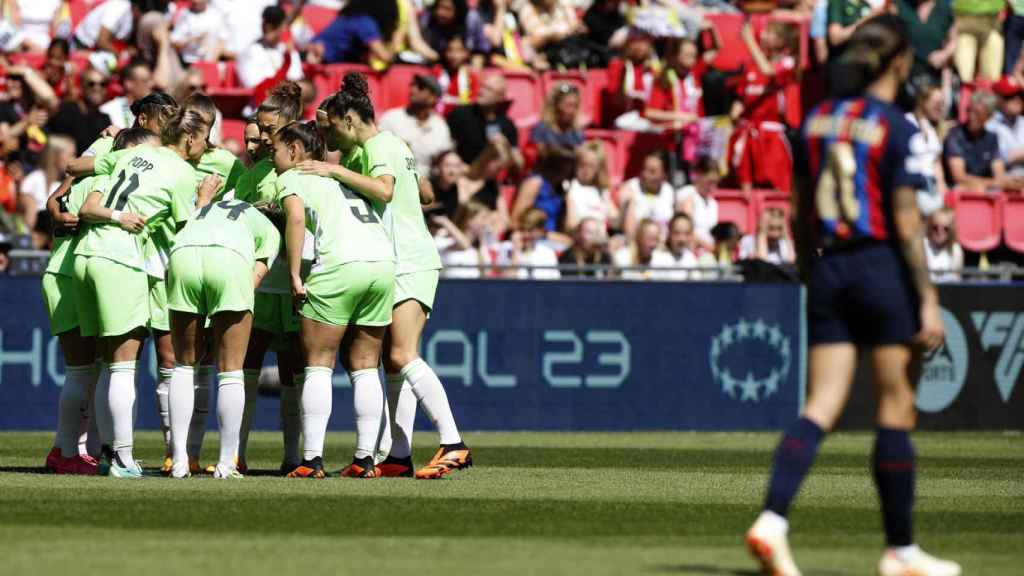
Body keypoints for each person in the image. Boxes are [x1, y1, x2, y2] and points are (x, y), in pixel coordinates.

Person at [745, 15, 961, 576]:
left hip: (830, 267)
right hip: (879, 264)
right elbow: (908, 221)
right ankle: (901, 551)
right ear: (899, 62)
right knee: (895, 407)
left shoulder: (815, 120)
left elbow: (797, 213)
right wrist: (929, 298)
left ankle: (772, 520)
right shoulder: (897, 126)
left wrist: (807, 269)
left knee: (819, 407)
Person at [301, 73, 473, 479]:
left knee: (400, 355)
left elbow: (383, 190)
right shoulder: (394, 143)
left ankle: (453, 443)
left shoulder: (377, 146)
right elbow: (427, 194)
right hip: (405, 257)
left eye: (330, 129)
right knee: (393, 363)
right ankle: (398, 453)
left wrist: (333, 172)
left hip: (409, 259)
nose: (329, 141)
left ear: (347, 118)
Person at [74, 107, 220, 479]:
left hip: (86, 254)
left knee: (109, 361)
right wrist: (204, 200)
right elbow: (190, 234)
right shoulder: (185, 173)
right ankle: (122, 458)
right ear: (189, 138)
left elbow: (90, 199)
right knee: (125, 363)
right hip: (121, 259)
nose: (206, 146)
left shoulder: (130, 154)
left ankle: (110, 452)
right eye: (204, 139)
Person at [271, 121, 394, 479]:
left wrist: (294, 273)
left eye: (276, 150)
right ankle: (365, 459)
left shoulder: (293, 176)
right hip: (382, 264)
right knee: (366, 363)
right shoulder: (341, 177)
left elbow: (295, 218)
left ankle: (311, 460)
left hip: (340, 265)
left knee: (318, 363)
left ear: (294, 151)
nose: (273, 157)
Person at [40, 127, 160, 476]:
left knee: (86, 370)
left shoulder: (86, 183)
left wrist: (56, 214)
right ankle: (69, 450)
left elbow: (57, 201)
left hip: (64, 271)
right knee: (89, 370)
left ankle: (72, 449)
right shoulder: (106, 183)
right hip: (75, 274)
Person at [165, 196, 280, 479]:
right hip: (228, 259)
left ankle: (179, 460)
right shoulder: (271, 230)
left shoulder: (215, 206)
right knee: (231, 370)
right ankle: (227, 463)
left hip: (182, 255)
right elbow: (253, 280)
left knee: (183, 364)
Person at [232, 82, 307, 475]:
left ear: (289, 124)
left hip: (295, 282)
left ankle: (294, 456)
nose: (260, 136)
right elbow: (238, 213)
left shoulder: (312, 168)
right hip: (261, 282)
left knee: (295, 370)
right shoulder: (257, 169)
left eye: (267, 128)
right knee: (246, 364)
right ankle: (236, 453)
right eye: (258, 129)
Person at [728, 20, 800, 194]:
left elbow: (769, 71)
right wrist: (737, 108)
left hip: (770, 137)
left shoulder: (788, 63)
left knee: (776, 188)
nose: (763, 35)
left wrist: (749, 40)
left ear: (784, 41)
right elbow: (742, 93)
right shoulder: (751, 65)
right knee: (744, 188)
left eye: (770, 32)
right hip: (747, 132)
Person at [447, 73, 523, 209]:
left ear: (500, 97)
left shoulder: (506, 124)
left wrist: (505, 145)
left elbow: (518, 164)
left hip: (488, 183)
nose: (481, 91)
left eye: (489, 89)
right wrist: (460, 168)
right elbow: (447, 148)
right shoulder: (460, 114)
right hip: (461, 177)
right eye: (482, 87)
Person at [944, 90, 1024, 192]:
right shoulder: (955, 135)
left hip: (986, 188)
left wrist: (1011, 182)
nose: (971, 117)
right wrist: (993, 183)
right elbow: (959, 177)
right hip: (963, 189)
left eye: (977, 113)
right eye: (969, 111)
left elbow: (999, 172)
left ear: (988, 116)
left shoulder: (992, 138)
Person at [378, 75, 453, 178]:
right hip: (394, 179)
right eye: (412, 85)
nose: (413, 90)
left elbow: (442, 161)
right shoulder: (391, 117)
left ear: (433, 98)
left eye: (420, 87)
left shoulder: (440, 126)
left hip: (427, 184)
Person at [20, 137, 75, 249]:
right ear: (55, 156)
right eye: (70, 155)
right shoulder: (33, 180)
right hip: (36, 243)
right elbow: (28, 221)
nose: (74, 159)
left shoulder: (64, 183)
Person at [46, 68, 113, 157]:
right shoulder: (66, 111)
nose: (97, 88)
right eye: (91, 84)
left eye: (103, 84)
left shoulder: (105, 119)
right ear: (82, 87)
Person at [511, 145, 575, 237]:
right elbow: (515, 221)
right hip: (533, 237)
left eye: (569, 168)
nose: (566, 172)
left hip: (552, 238)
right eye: (563, 167)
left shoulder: (561, 188)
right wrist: (543, 234)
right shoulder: (535, 182)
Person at [310, 0, 398, 65]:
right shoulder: (364, 22)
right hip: (322, 63)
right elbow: (384, 56)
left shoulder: (347, 17)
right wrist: (398, 35)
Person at [236, 5, 304, 89]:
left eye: (274, 26)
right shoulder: (251, 51)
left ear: (282, 27)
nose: (268, 29)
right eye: (266, 24)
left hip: (287, 100)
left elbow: (296, 80)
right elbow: (252, 86)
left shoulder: (289, 51)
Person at [905, 83, 947, 216]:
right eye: (936, 103)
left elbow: (936, 161)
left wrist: (941, 186)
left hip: (932, 188)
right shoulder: (906, 122)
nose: (940, 107)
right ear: (922, 101)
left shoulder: (933, 128)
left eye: (942, 104)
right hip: (913, 185)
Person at [618, 151, 680, 239]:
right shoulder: (630, 188)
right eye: (644, 169)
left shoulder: (669, 191)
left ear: (664, 175)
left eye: (652, 171)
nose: (645, 174)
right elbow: (627, 230)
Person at [434, 200, 496, 278]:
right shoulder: (444, 240)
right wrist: (445, 222)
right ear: (469, 220)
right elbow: (464, 245)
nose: (486, 223)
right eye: (483, 218)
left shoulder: (481, 250)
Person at [566, 141, 617, 232]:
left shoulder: (602, 191)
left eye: (591, 166)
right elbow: (570, 225)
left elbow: (615, 219)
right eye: (582, 165)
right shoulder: (571, 188)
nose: (586, 170)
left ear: (599, 168)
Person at [498, 207, 561, 279]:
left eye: (530, 231)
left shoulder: (548, 253)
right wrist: (515, 251)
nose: (526, 235)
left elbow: (555, 284)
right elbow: (506, 284)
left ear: (540, 231)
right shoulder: (506, 249)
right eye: (522, 229)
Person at [953, 0, 1004, 83]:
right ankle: (965, 90)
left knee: (992, 77)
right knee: (964, 75)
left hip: (991, 24)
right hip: (964, 25)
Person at [676, 156, 720, 251]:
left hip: (708, 251)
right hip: (691, 250)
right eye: (710, 182)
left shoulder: (713, 203)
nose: (712, 187)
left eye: (715, 182)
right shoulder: (687, 194)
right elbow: (687, 230)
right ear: (699, 175)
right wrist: (710, 248)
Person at [530, 83, 585, 156]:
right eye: (568, 105)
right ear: (555, 106)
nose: (572, 111)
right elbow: (540, 157)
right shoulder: (541, 129)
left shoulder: (577, 133)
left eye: (575, 106)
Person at [100, 59, 155, 130]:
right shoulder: (108, 111)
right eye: (145, 81)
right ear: (128, 83)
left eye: (151, 80)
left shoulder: (155, 111)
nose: (151, 85)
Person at [169, 0, 228, 64]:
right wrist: (193, 39)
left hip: (209, 63)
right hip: (187, 61)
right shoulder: (184, 14)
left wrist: (209, 64)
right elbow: (174, 42)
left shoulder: (217, 15)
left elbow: (221, 41)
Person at [987, 76, 1024, 176]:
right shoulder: (990, 126)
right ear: (998, 99)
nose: (1017, 99)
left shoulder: (1022, 122)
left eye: (1019, 95)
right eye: (1010, 96)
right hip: (1006, 181)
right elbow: (992, 161)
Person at [433, 35, 479, 114]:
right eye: (450, 50)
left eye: (459, 51)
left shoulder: (471, 76)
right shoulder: (437, 71)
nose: (454, 56)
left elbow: (472, 102)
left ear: (466, 53)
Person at [923, 207, 964, 282]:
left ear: (951, 230)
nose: (940, 232)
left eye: (945, 229)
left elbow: (956, 280)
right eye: (935, 228)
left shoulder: (956, 250)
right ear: (930, 227)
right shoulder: (922, 246)